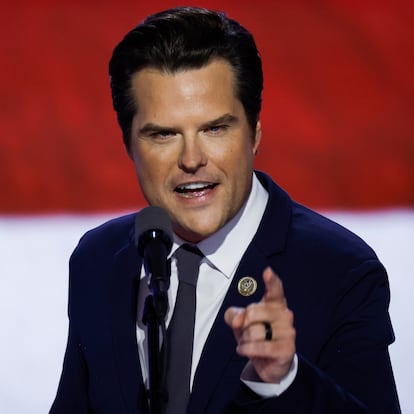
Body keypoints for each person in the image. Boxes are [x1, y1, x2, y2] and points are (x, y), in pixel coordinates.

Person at [50, 6, 401, 414]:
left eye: (215, 128)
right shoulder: (98, 261)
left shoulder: (340, 272)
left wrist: (284, 380)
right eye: (164, 134)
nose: (192, 159)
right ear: (129, 144)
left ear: (254, 133)